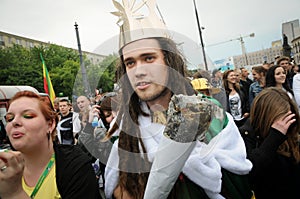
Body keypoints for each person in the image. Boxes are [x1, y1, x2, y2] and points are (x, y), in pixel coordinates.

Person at [102, 33, 252, 198]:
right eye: (130, 63)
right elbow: (117, 186)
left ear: (169, 62)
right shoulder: (124, 127)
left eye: (149, 58)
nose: (139, 71)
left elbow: (236, 171)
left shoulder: (209, 112)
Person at [0, 91, 101, 199]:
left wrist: (15, 193)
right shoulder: (4, 166)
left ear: (50, 124)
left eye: (28, 116)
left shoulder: (76, 165)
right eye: (9, 118)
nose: (14, 122)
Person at [239, 87, 300, 199]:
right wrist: (274, 138)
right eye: (280, 118)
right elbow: (250, 172)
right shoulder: (247, 134)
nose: (284, 123)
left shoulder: (291, 132)